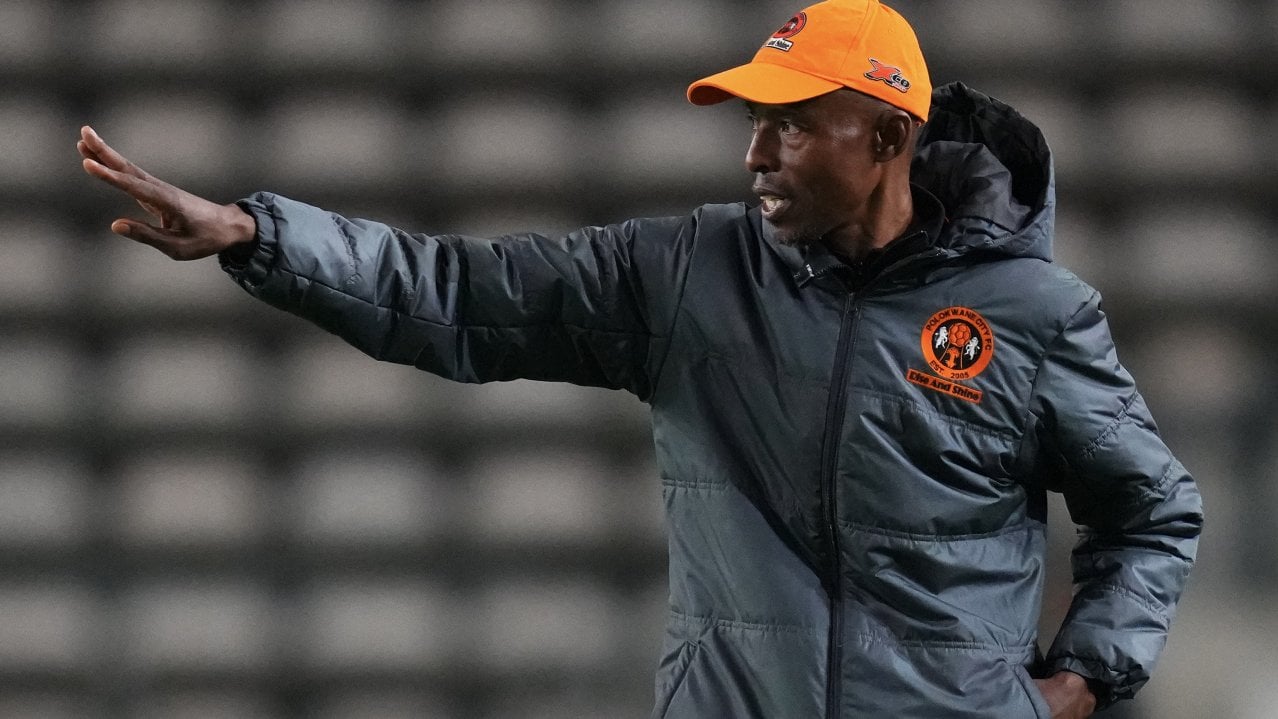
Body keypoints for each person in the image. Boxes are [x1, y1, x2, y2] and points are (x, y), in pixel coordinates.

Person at [79, 0, 1201, 716]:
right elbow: (461, 292)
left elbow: (1151, 510)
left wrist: (1076, 681)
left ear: (891, 139)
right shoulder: (687, 271)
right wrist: (260, 236)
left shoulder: (1035, 315)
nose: (757, 153)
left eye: (794, 126)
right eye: (753, 123)